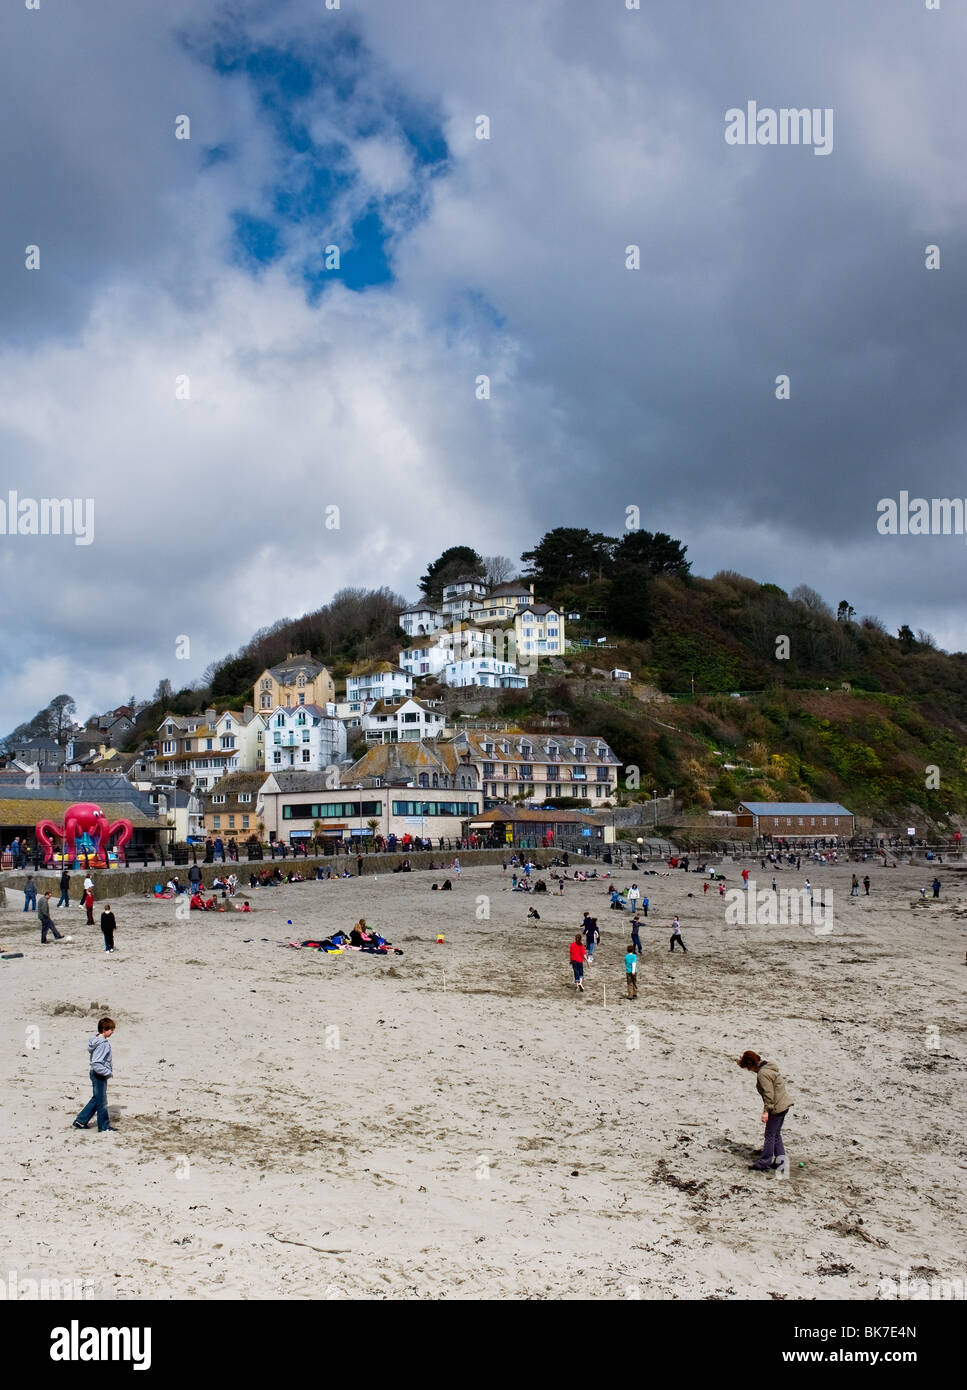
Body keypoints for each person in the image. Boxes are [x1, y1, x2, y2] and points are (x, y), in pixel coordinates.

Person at [737, 1050, 792, 1172]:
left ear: (751, 1064)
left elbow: (769, 1094)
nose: (748, 1070)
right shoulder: (769, 1067)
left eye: (747, 1067)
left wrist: (766, 1111)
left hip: (776, 1107)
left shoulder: (762, 1074)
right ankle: (780, 1162)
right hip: (784, 1104)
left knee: (770, 1135)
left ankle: (764, 1162)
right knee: (776, 1134)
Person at [72, 1017, 117, 1132]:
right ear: (104, 1029)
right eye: (111, 1029)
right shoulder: (103, 1044)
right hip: (99, 1075)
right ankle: (104, 1127)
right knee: (102, 1102)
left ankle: (80, 1121)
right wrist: (108, 1072)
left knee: (96, 1099)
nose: (113, 1032)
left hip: (95, 1073)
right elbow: (96, 1062)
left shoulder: (96, 1040)